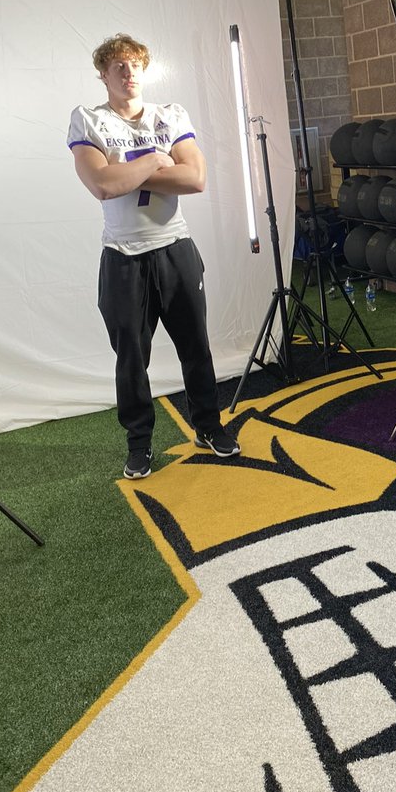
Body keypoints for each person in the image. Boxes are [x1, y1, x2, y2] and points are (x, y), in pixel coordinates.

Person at [68, 33, 240, 480]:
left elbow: (196, 177)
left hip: (175, 249)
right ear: (102, 74)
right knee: (131, 357)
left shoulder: (170, 114)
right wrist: (157, 160)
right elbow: (102, 185)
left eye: (134, 65)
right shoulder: (88, 120)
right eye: (118, 67)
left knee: (195, 346)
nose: (128, 73)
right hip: (123, 256)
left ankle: (208, 426)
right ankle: (140, 444)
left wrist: (127, 169)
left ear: (144, 70)